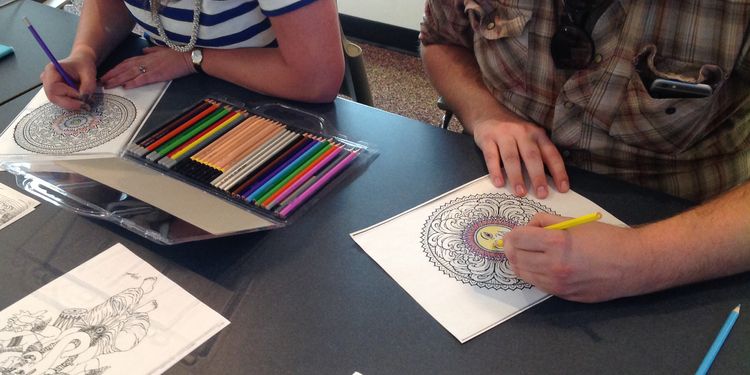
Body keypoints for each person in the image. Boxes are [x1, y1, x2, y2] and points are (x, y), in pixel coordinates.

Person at [420, 0, 750, 302]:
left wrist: (640, 258)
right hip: (497, 186)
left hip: (686, 236)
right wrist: (484, 113)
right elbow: (440, 40)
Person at [41, 0, 345, 111]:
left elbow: (316, 79)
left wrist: (192, 59)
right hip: (167, 91)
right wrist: (86, 51)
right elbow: (113, 5)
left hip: (271, 97)